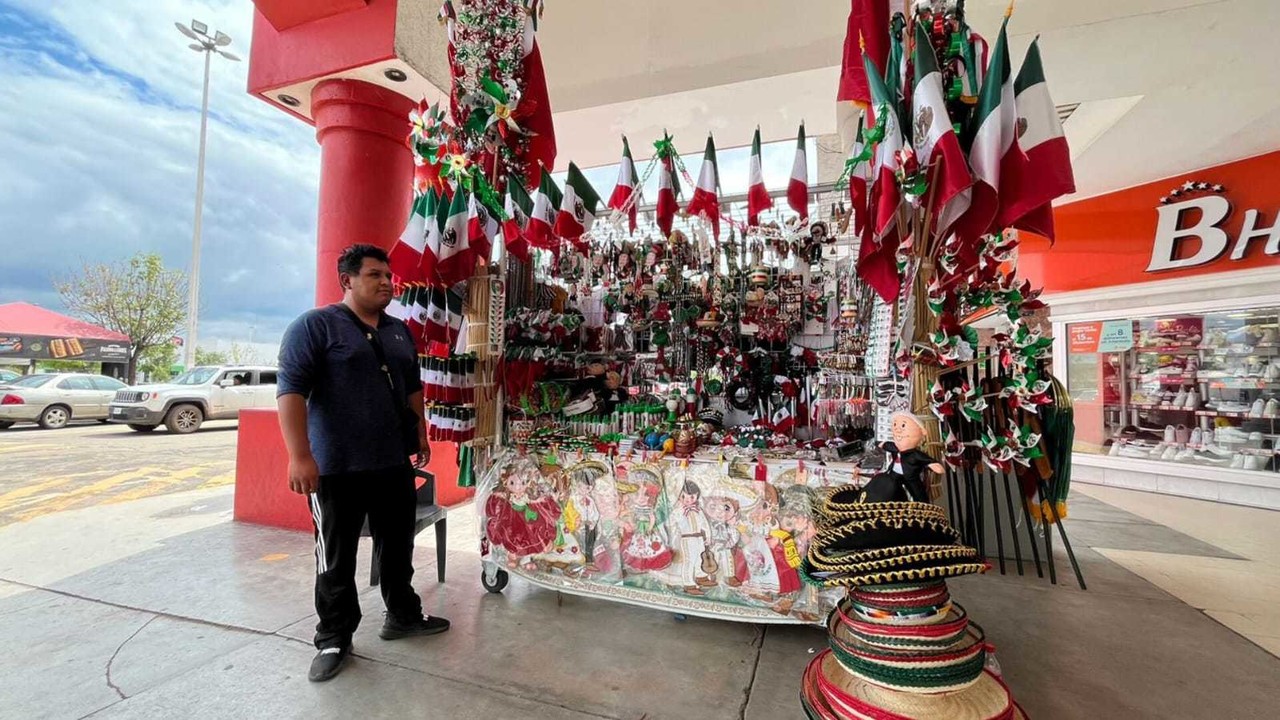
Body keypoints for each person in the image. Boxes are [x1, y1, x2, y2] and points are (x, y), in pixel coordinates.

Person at [277, 244, 449, 683]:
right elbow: (291, 392)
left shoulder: (398, 330)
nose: (386, 282)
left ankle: (403, 616)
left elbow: (413, 385)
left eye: (388, 276)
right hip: (336, 467)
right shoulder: (315, 326)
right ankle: (334, 636)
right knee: (336, 556)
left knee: (398, 546)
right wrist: (300, 456)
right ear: (347, 280)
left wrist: (421, 433)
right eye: (374, 274)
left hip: (392, 462)